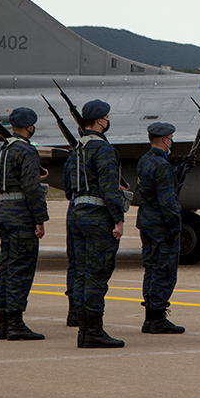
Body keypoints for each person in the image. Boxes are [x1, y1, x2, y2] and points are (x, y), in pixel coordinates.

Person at [66, 99, 127, 349]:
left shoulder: (77, 148)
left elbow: (70, 185)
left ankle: (83, 327)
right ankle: (93, 330)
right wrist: (118, 218)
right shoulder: (103, 149)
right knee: (97, 274)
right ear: (101, 120)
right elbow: (109, 189)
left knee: (81, 272)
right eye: (107, 117)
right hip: (98, 217)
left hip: (77, 213)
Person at [0, 107, 48, 341]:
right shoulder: (26, 151)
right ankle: (16, 323)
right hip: (21, 214)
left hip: (5, 210)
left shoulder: (2, 150)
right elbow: (31, 188)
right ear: (29, 127)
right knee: (20, 269)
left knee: (5, 268)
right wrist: (40, 219)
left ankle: (5, 322)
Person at [135, 121, 185, 334]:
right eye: (171, 138)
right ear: (165, 140)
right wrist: (175, 226)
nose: (171, 142)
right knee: (164, 271)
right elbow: (167, 200)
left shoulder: (145, 161)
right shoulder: (162, 165)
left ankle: (151, 317)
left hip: (146, 221)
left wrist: (180, 170)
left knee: (152, 269)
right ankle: (157, 317)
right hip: (161, 225)